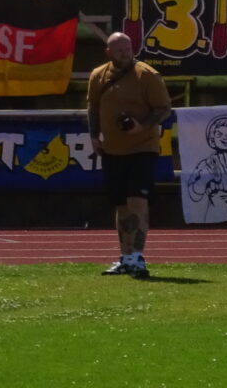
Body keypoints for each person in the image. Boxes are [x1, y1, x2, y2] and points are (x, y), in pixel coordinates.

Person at [86, 31, 171, 279]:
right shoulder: (98, 75)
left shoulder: (147, 75)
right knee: (121, 204)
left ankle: (138, 256)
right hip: (112, 148)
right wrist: (94, 135)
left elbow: (164, 109)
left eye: (128, 48)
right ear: (109, 52)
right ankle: (125, 256)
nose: (125, 53)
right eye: (120, 50)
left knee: (137, 201)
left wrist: (141, 126)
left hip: (142, 147)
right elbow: (93, 106)